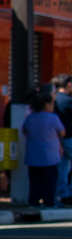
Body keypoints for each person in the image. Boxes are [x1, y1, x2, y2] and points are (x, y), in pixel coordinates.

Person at [22, 90, 66, 208]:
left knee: (34, 181)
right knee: (50, 181)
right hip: (50, 156)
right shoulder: (53, 118)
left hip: (32, 155)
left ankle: (33, 202)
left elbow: (25, 131)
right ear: (46, 104)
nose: (53, 106)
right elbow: (62, 132)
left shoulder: (30, 118)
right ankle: (49, 202)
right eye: (52, 103)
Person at [51, 73, 72, 204]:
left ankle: (61, 194)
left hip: (56, 139)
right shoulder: (67, 101)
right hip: (69, 138)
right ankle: (67, 194)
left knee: (63, 167)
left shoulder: (54, 99)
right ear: (69, 84)